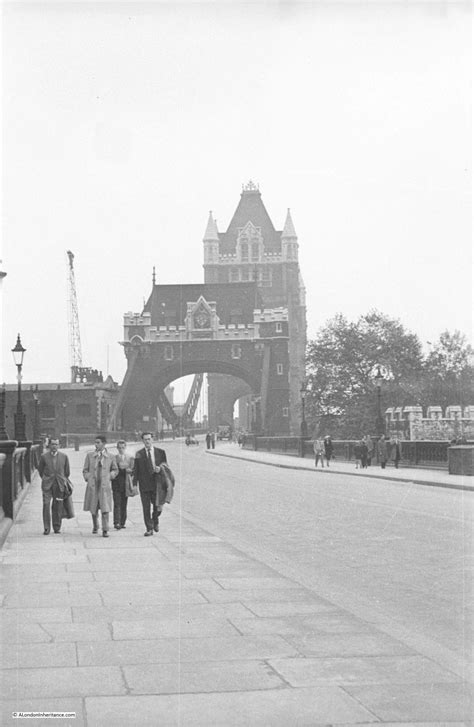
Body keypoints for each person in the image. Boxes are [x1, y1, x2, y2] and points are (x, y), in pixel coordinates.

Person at [133, 431, 167, 536]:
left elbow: (165, 466)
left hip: (157, 484)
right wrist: (134, 484)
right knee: (146, 508)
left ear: (152, 439)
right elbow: (136, 470)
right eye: (145, 439)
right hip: (144, 485)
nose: (147, 441)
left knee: (158, 507)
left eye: (149, 439)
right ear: (142, 441)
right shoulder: (139, 454)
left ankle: (155, 520)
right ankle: (149, 528)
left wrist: (160, 468)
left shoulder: (160, 452)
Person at [83, 435, 118, 538]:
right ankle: (95, 525)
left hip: (104, 486)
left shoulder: (110, 456)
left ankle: (105, 529)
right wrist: (88, 477)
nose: (96, 444)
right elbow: (85, 470)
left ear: (104, 443)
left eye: (98, 442)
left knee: (105, 508)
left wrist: (110, 476)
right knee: (93, 508)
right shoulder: (90, 456)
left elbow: (115, 469)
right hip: (93, 486)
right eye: (95, 442)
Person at [38, 437, 71, 535]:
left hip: (59, 484)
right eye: (52, 444)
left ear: (59, 445)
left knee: (58, 506)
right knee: (46, 504)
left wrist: (61, 479)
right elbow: (40, 470)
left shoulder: (64, 456)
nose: (54, 446)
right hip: (47, 484)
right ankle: (47, 528)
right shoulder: (44, 456)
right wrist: (46, 478)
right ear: (49, 445)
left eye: (56, 444)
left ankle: (57, 527)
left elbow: (67, 472)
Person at [112, 440, 134, 529]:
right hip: (116, 484)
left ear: (125, 448)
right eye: (119, 448)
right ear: (117, 448)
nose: (121, 449)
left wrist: (131, 472)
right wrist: (125, 470)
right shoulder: (114, 458)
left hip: (126, 484)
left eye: (123, 448)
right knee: (117, 503)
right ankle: (116, 522)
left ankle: (122, 522)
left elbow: (133, 470)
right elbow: (113, 470)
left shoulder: (129, 458)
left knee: (124, 504)